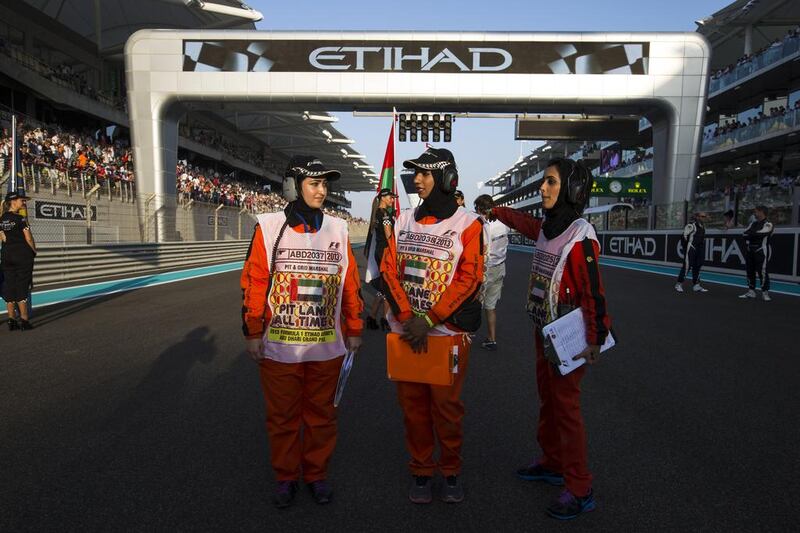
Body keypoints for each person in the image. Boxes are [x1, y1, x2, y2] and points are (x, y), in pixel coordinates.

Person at [491, 157, 611, 520]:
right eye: (544, 182)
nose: (542, 188)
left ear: (572, 190)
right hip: (544, 330)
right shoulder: (548, 226)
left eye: (551, 182)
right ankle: (552, 461)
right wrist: (495, 209)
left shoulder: (579, 237)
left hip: (569, 336)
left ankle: (579, 486)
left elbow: (594, 293)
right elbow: (525, 224)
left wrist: (595, 338)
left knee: (567, 409)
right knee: (548, 399)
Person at [241, 155, 363, 508]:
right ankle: (285, 477)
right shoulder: (267, 226)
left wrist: (354, 327)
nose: (321, 190)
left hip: (327, 346)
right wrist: (252, 331)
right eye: (314, 183)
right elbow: (254, 281)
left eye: (325, 184)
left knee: (322, 417)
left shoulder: (338, 228)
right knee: (282, 418)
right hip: (280, 345)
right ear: (293, 186)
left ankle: (316, 474)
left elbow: (350, 284)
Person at [381, 147, 484, 504]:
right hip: (407, 331)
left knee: (447, 409)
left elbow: (470, 279)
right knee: (413, 409)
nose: (418, 180)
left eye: (425, 173)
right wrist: (410, 319)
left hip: (446, 335)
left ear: (445, 179)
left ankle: (451, 469)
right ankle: (421, 471)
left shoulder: (469, 224)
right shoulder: (402, 219)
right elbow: (387, 270)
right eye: (416, 174)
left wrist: (429, 319)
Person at [474, 193, 509, 351]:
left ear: (482, 209)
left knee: (473, 303)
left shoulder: (483, 226)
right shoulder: (503, 223)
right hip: (500, 267)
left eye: (477, 209)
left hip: (485, 269)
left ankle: (467, 333)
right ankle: (492, 339)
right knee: (491, 306)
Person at [0, 191, 36, 331]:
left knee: (9, 286)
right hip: (22, 255)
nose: (24, 203)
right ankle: (24, 320)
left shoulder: (1, 218)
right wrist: (33, 251)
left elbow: (3, 238)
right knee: (22, 287)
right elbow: (28, 238)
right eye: (22, 200)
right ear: (13, 201)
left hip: (7, 256)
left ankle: (11, 320)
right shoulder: (21, 219)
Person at [364, 188, 397, 331]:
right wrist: (395, 254)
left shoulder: (377, 213)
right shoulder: (384, 215)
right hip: (385, 252)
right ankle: (385, 319)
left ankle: (373, 318)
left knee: (383, 287)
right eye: (391, 197)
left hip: (380, 252)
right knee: (387, 286)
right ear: (383, 198)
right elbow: (389, 236)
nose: (392, 200)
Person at [739, 205, 774, 301]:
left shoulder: (768, 224)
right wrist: (754, 234)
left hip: (761, 250)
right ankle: (751, 291)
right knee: (749, 271)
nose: (754, 213)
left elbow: (763, 233)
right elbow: (744, 234)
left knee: (762, 271)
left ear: (761, 212)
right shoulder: (753, 224)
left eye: (756, 211)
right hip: (750, 250)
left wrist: (752, 234)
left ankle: (765, 292)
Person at [674, 212, 709, 293]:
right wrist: (687, 247)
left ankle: (696, 285)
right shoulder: (691, 225)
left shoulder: (702, 226)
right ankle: (679, 284)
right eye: (702, 216)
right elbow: (684, 236)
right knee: (687, 266)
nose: (704, 218)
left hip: (699, 249)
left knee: (698, 266)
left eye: (704, 216)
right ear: (697, 217)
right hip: (691, 248)